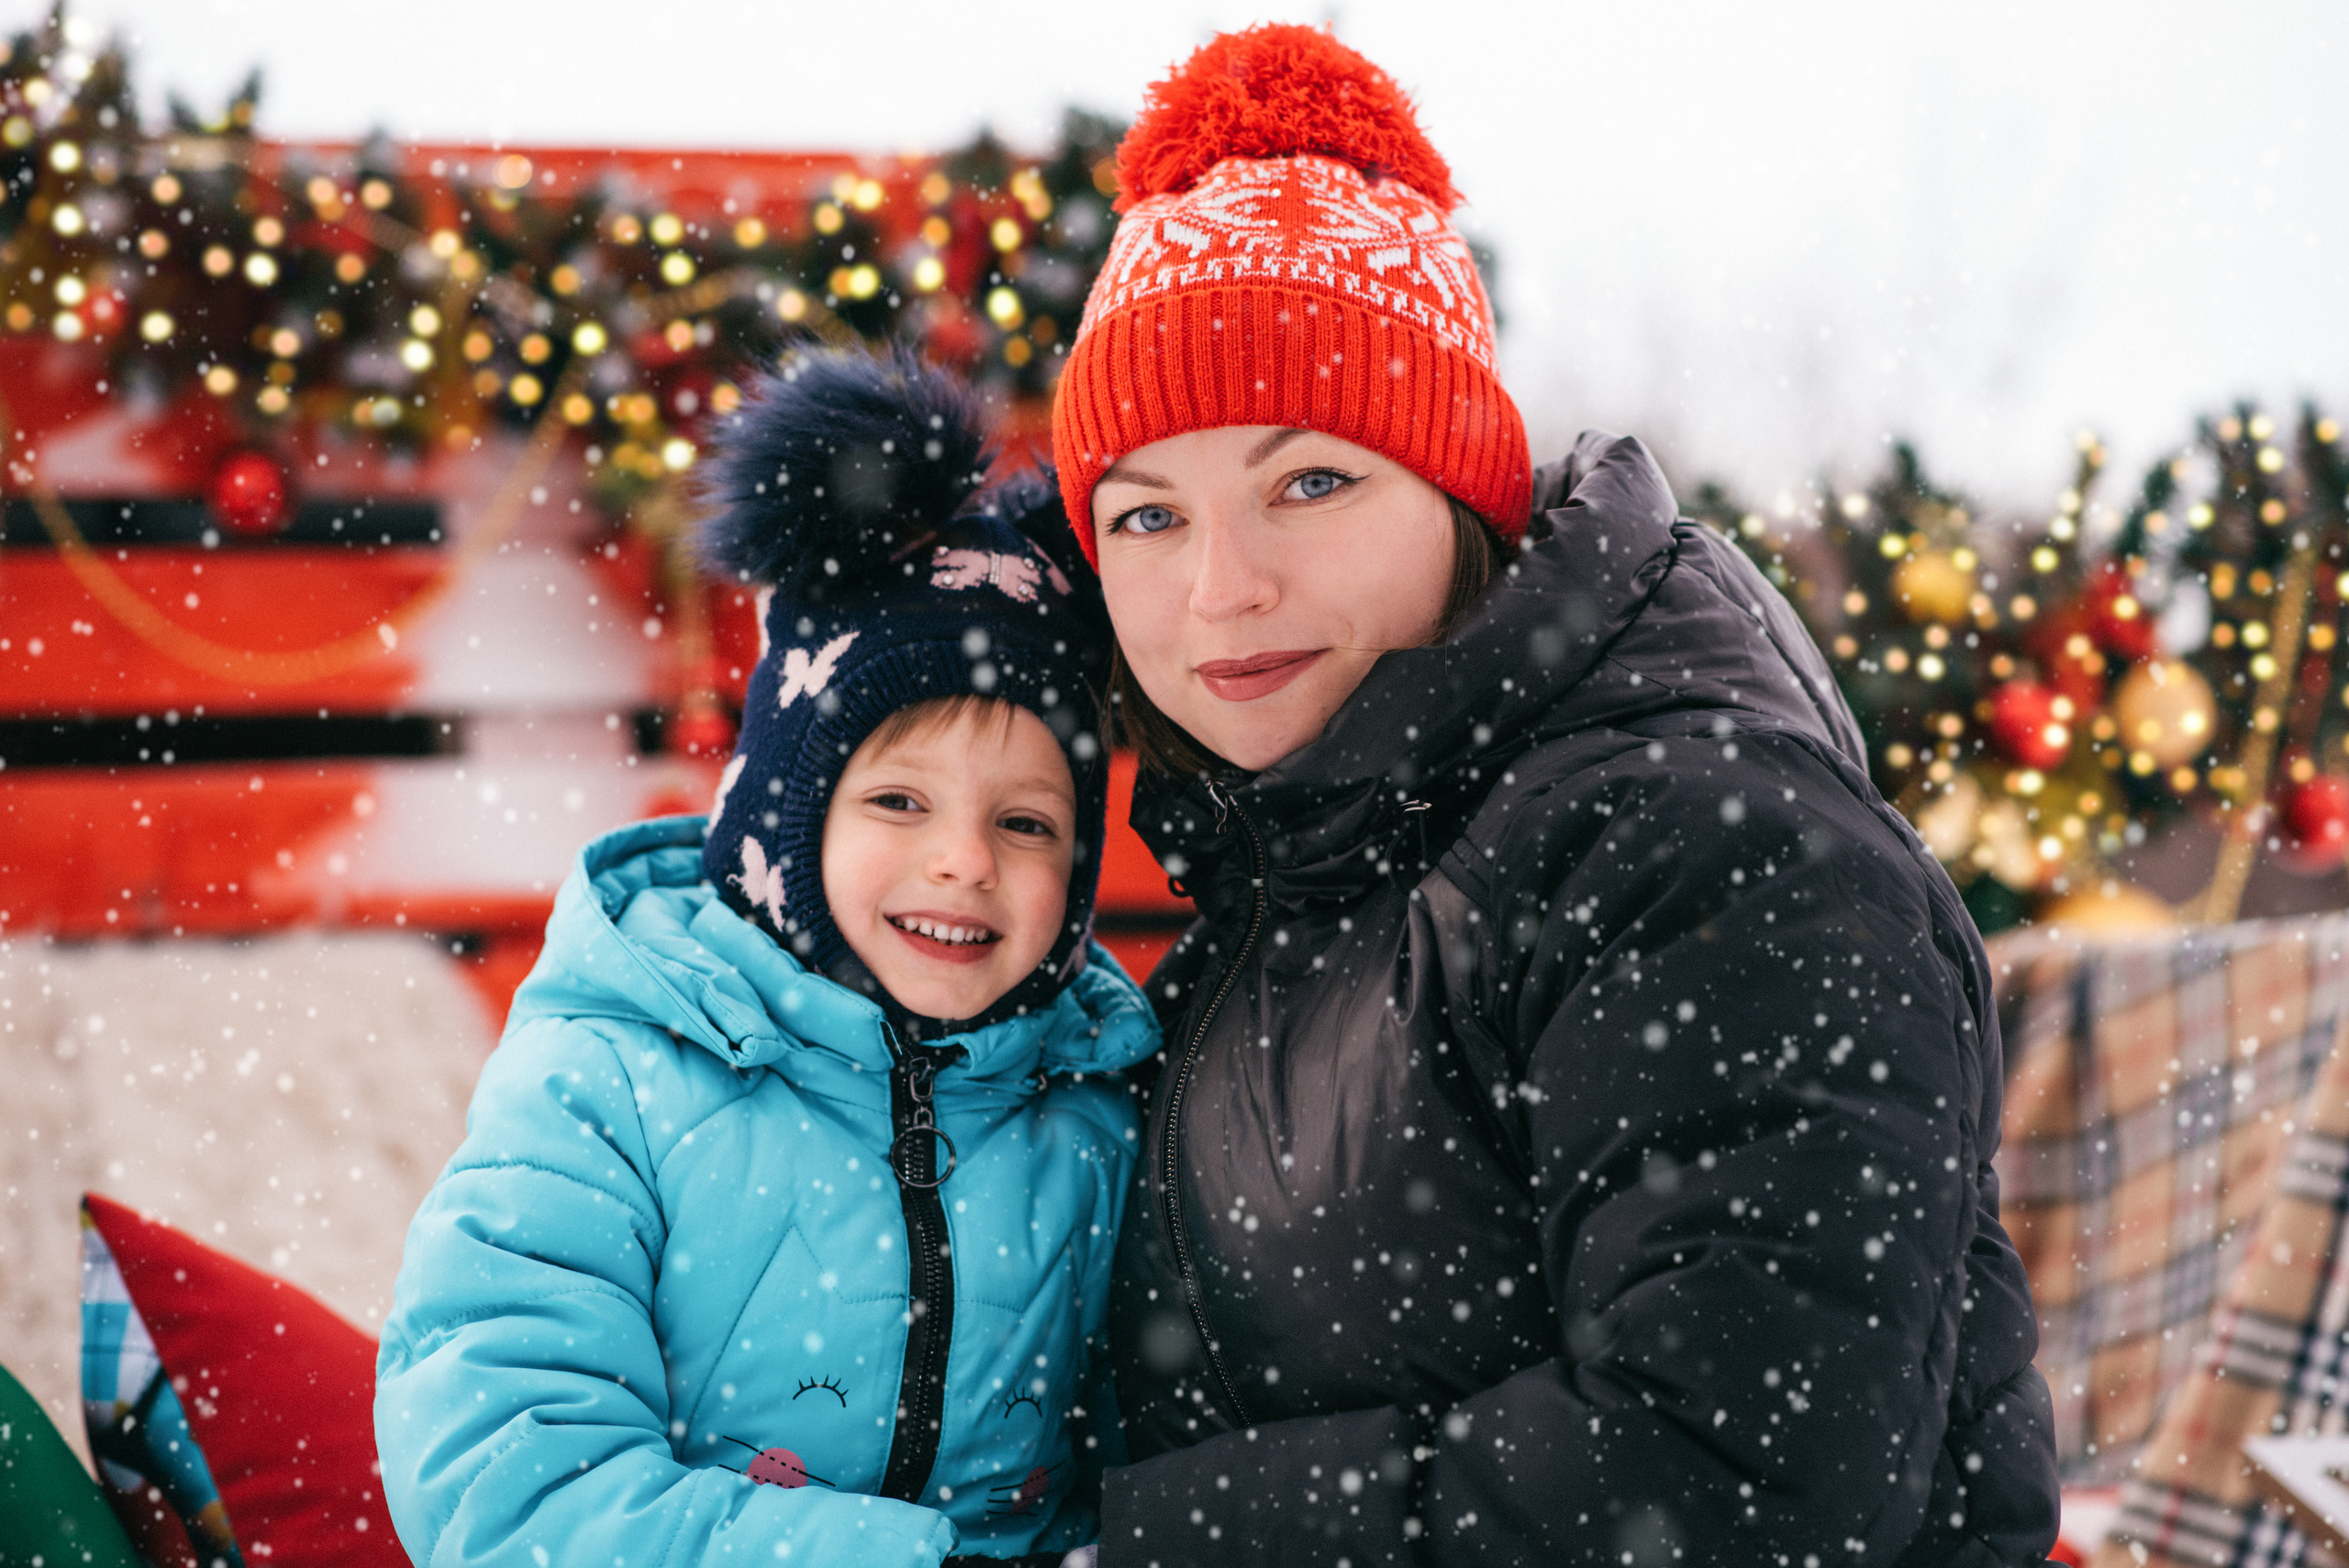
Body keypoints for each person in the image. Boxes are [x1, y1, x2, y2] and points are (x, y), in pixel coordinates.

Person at [1049, 25, 2060, 1567]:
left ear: (1460, 486)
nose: (1220, 590)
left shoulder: (1704, 844)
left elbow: (1735, 1475)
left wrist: (1134, 1541)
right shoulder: (1297, 877)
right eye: (1144, 514)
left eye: (1309, 481)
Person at [374, 350, 1157, 1568]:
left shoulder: (1096, 1109)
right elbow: (507, 1480)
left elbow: (1137, 1455)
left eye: (1026, 822)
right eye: (899, 800)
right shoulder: (611, 1079)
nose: (964, 861)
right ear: (786, 824)